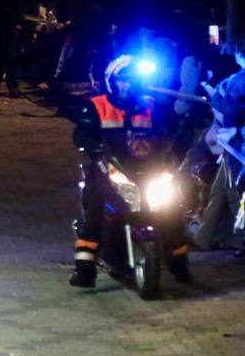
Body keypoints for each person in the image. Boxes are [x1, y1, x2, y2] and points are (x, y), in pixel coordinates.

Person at [69, 55, 192, 288]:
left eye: (130, 81)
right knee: (95, 207)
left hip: (148, 172)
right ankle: (84, 268)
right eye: (121, 80)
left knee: (172, 210)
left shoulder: (150, 106)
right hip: (108, 170)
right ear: (111, 82)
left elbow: (167, 131)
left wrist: (176, 146)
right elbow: (82, 133)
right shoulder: (97, 105)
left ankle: (180, 264)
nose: (126, 85)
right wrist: (91, 146)